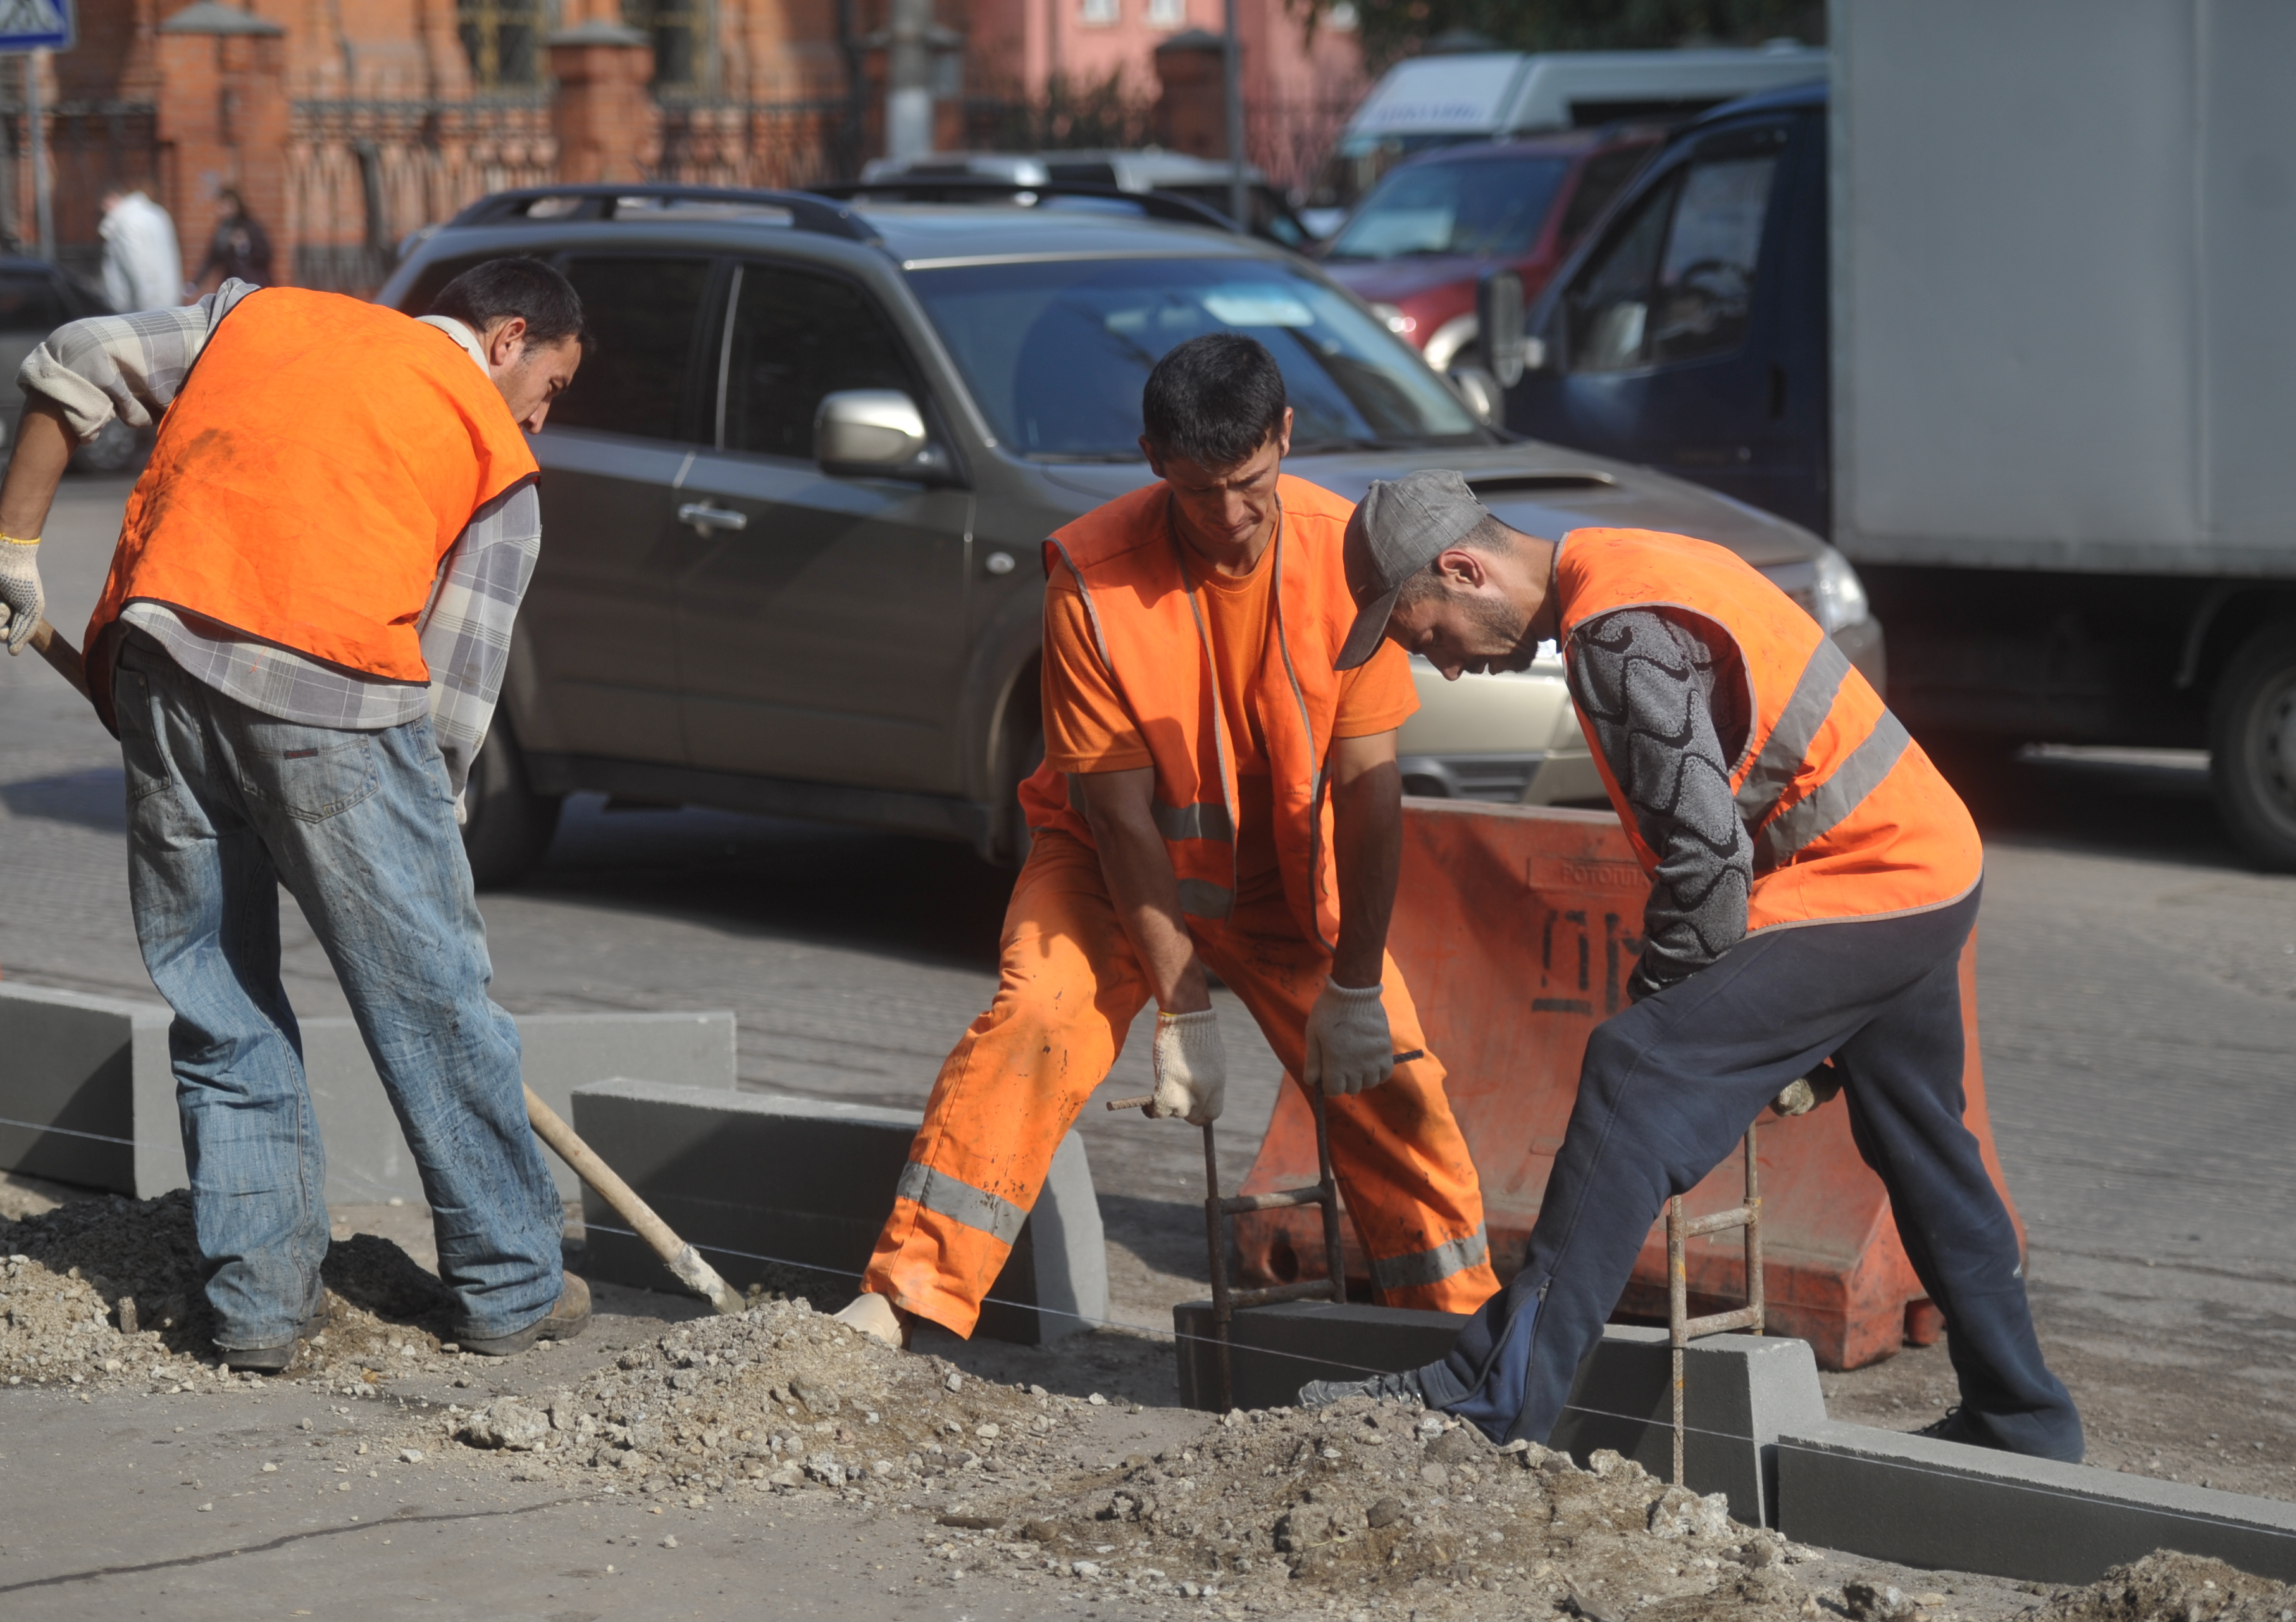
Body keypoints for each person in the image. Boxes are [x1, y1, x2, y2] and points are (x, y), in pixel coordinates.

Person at [1296, 473, 2083, 1462]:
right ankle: (2025, 1423)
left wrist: (1677, 1010)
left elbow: (1707, 863)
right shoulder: (1628, 561)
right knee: (1924, 1148)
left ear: (1463, 569)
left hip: (1864, 874)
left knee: (1638, 1068)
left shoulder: (1613, 636)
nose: (1444, 668)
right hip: (1923, 858)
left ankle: (1488, 1398)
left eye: (1427, 634)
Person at [0, 259, 589, 1372]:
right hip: (339, 703)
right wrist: (387, 861)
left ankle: (257, 1309)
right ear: (507, 337)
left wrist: (12, 543)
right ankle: (509, 1282)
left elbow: (76, 358)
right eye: (554, 383)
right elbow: (450, 714)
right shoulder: (500, 464)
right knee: (435, 1002)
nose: (545, 412)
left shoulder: (257, 318)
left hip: (160, 663)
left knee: (221, 999)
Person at [834, 335, 1500, 1349]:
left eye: (1251, 484)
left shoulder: (1346, 555)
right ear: (1153, 457)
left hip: (1282, 883)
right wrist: (1183, 1010)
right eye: (1198, 493)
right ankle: (902, 1301)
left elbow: (1369, 792)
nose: (1229, 518)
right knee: (1039, 1022)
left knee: (1396, 1083)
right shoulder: (1091, 580)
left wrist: (1356, 987)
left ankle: (1463, 1338)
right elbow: (1118, 816)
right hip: (1112, 876)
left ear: (1285, 437)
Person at [97, 184, 183, 313]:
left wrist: (144, 316)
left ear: (112, 199)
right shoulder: (157, 213)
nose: (104, 211)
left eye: (104, 205)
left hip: (140, 312)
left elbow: (139, 273)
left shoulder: (126, 224)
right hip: (168, 303)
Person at [194, 187, 275, 291]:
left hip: (254, 284)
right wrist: (196, 283)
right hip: (231, 285)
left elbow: (266, 254)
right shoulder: (222, 230)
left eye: (227, 205)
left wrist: (245, 246)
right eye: (221, 205)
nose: (223, 209)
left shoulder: (250, 227)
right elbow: (212, 258)